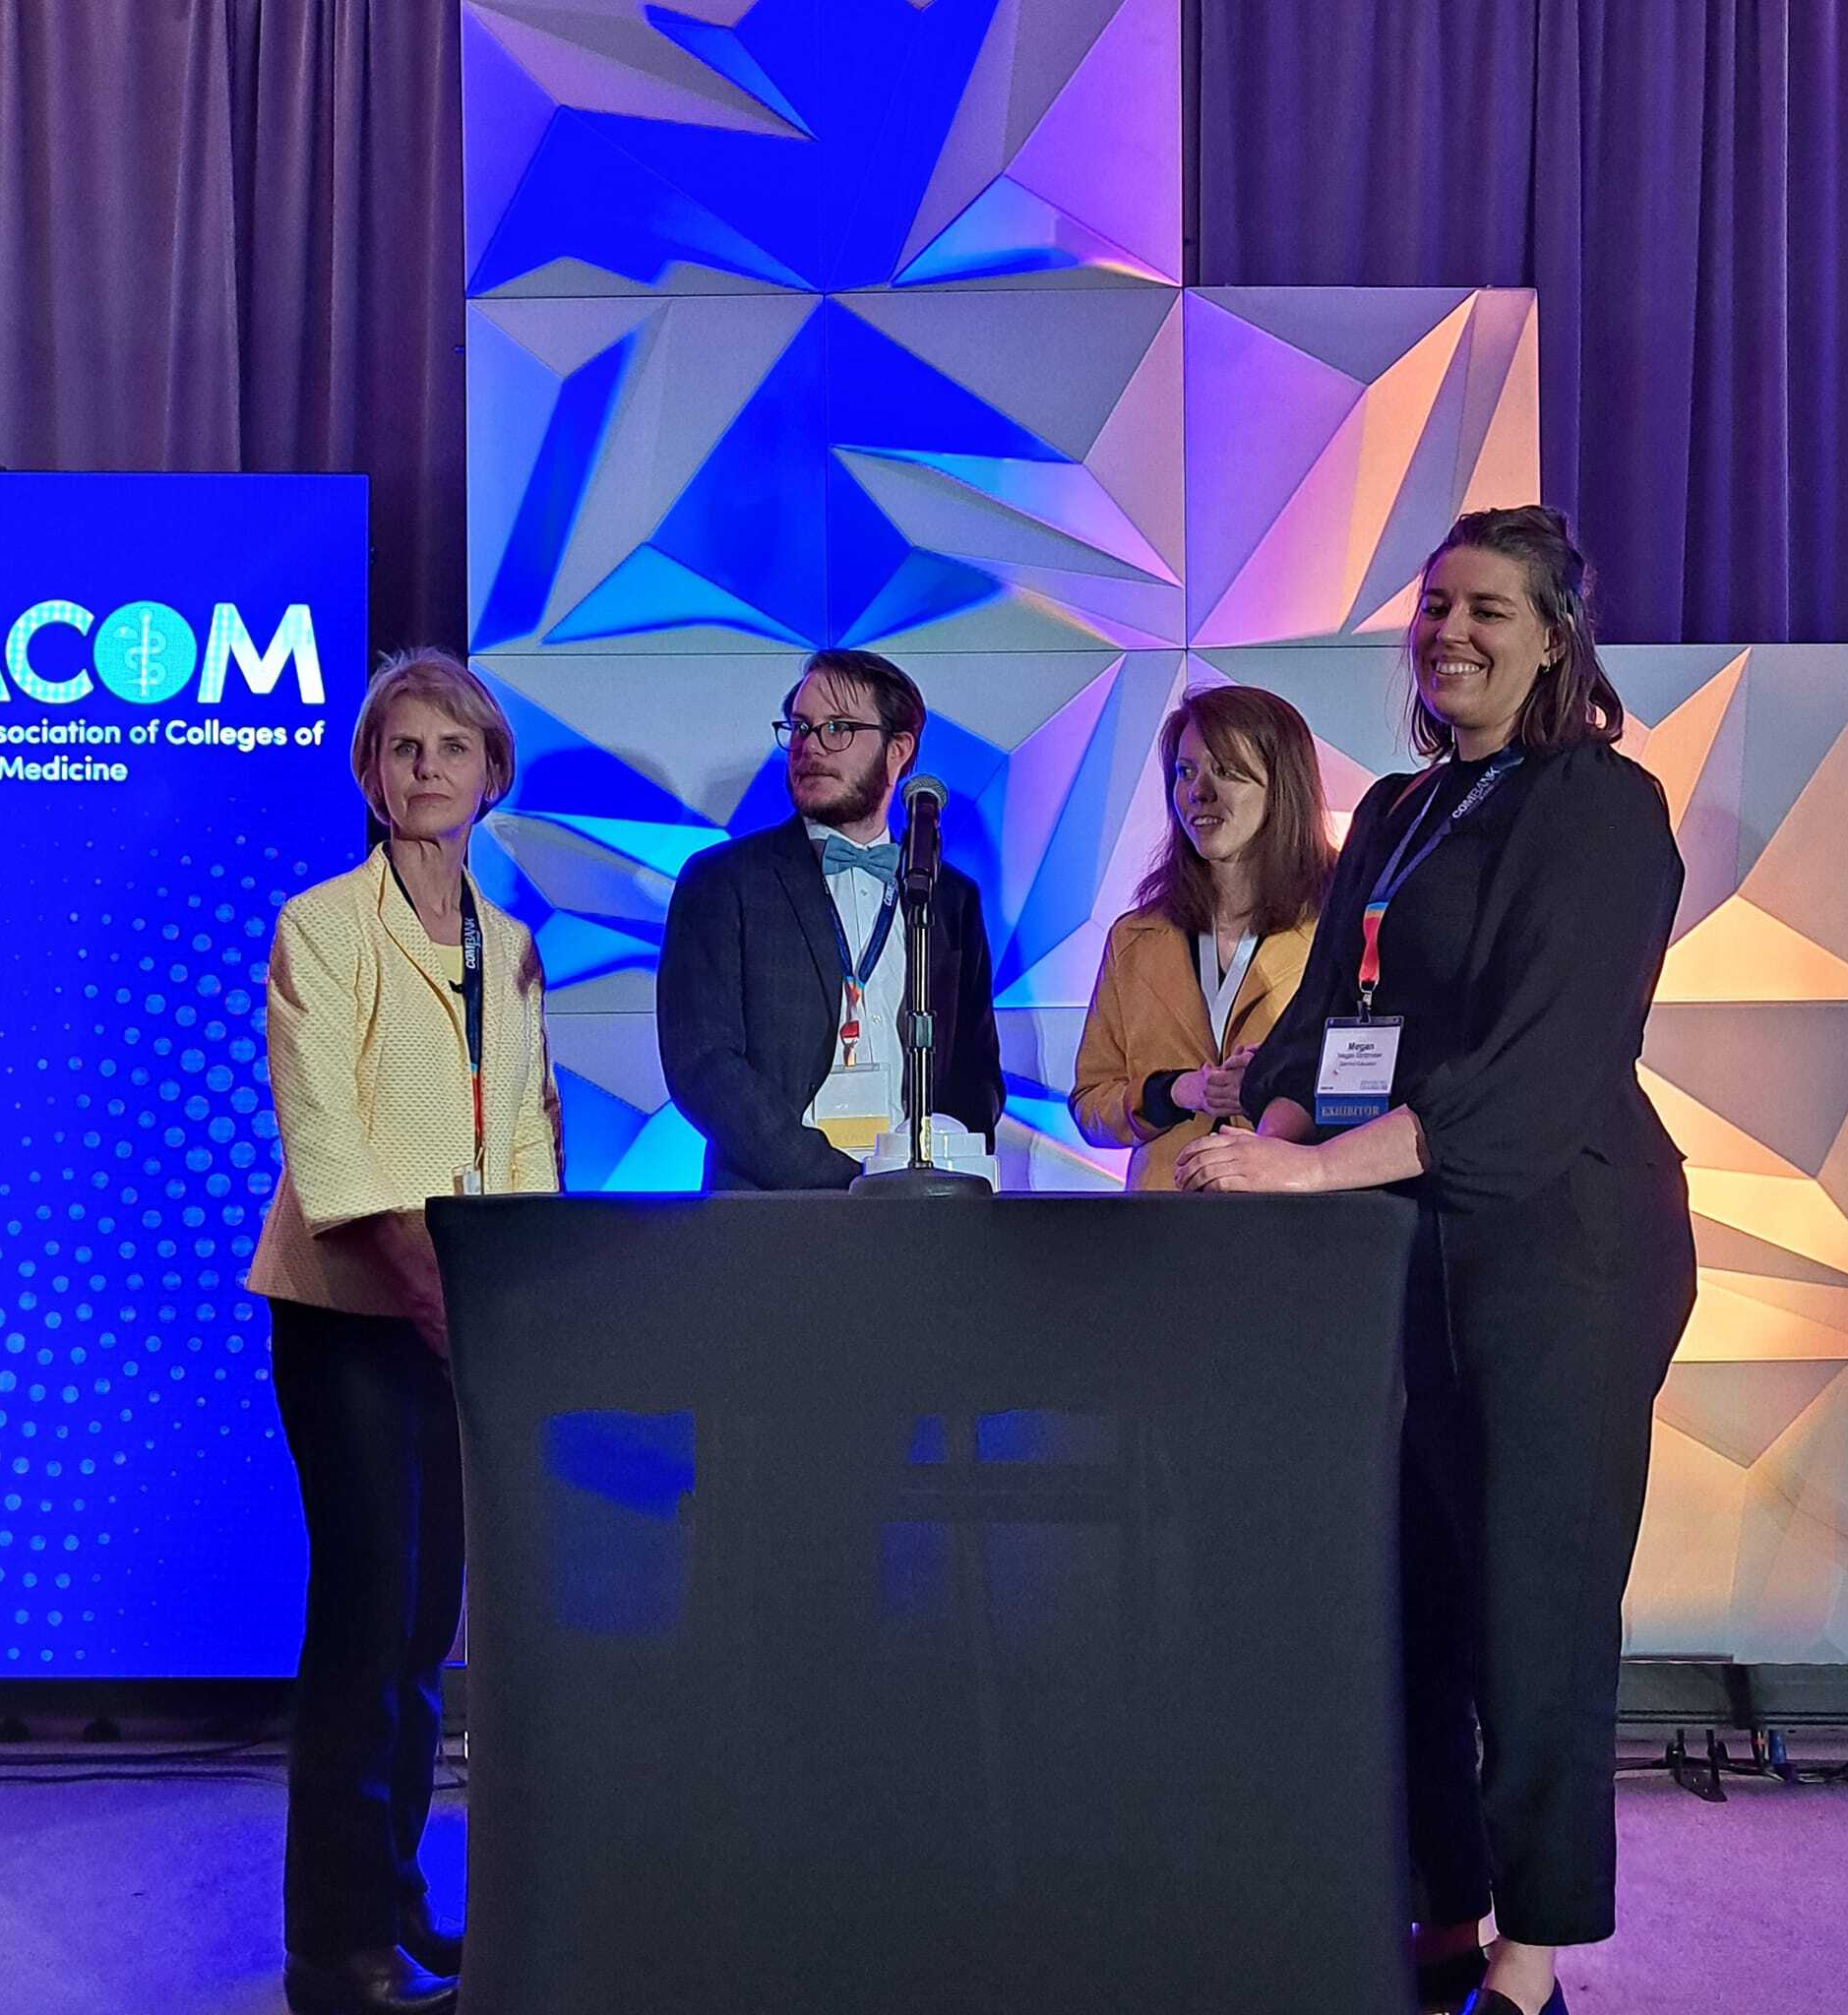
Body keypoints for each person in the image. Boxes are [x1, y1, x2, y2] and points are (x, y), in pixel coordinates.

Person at [1176, 508, 1694, 2015]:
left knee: (1534, 1605)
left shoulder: (1603, 807)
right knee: (1407, 1603)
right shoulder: (1401, 809)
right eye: (1433, 605)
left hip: (1561, 1252)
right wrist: (1264, 1137)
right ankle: (1444, 1914)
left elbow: (1537, 1073)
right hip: (1401, 1250)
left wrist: (1310, 1169)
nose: (1448, 632)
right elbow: (1326, 1018)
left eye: (1486, 609)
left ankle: (1532, 1963)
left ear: (1554, 638)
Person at [249, 648, 561, 2015]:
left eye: (452, 747)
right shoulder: (321, 925)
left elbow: (529, 1126)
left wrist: (521, 1284)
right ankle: (334, 1948)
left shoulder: (513, 945)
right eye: (402, 748)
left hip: (467, 1315)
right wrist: (441, 1299)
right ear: (372, 778)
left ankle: (395, 1892)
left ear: (493, 775)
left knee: (429, 1627)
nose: (427, 767)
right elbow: (330, 1137)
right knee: (365, 1625)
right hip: (354, 1319)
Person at [656, 646, 1005, 1190]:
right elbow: (703, 1064)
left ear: (897, 749)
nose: (811, 746)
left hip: (920, 1207)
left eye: (838, 728)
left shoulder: (949, 897)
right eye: (800, 727)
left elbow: (975, 1071)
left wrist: (941, 1168)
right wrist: (844, 1183)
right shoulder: (724, 880)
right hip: (774, 1208)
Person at [1070, 684, 1333, 1189]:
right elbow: (1089, 1105)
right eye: (1186, 771)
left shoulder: (1339, 929)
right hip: (1163, 1222)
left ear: (1283, 786)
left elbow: (1373, 1089)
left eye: (1226, 772)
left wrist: (1268, 1087)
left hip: (1290, 1214)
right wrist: (1173, 1091)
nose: (1198, 792)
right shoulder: (1135, 938)